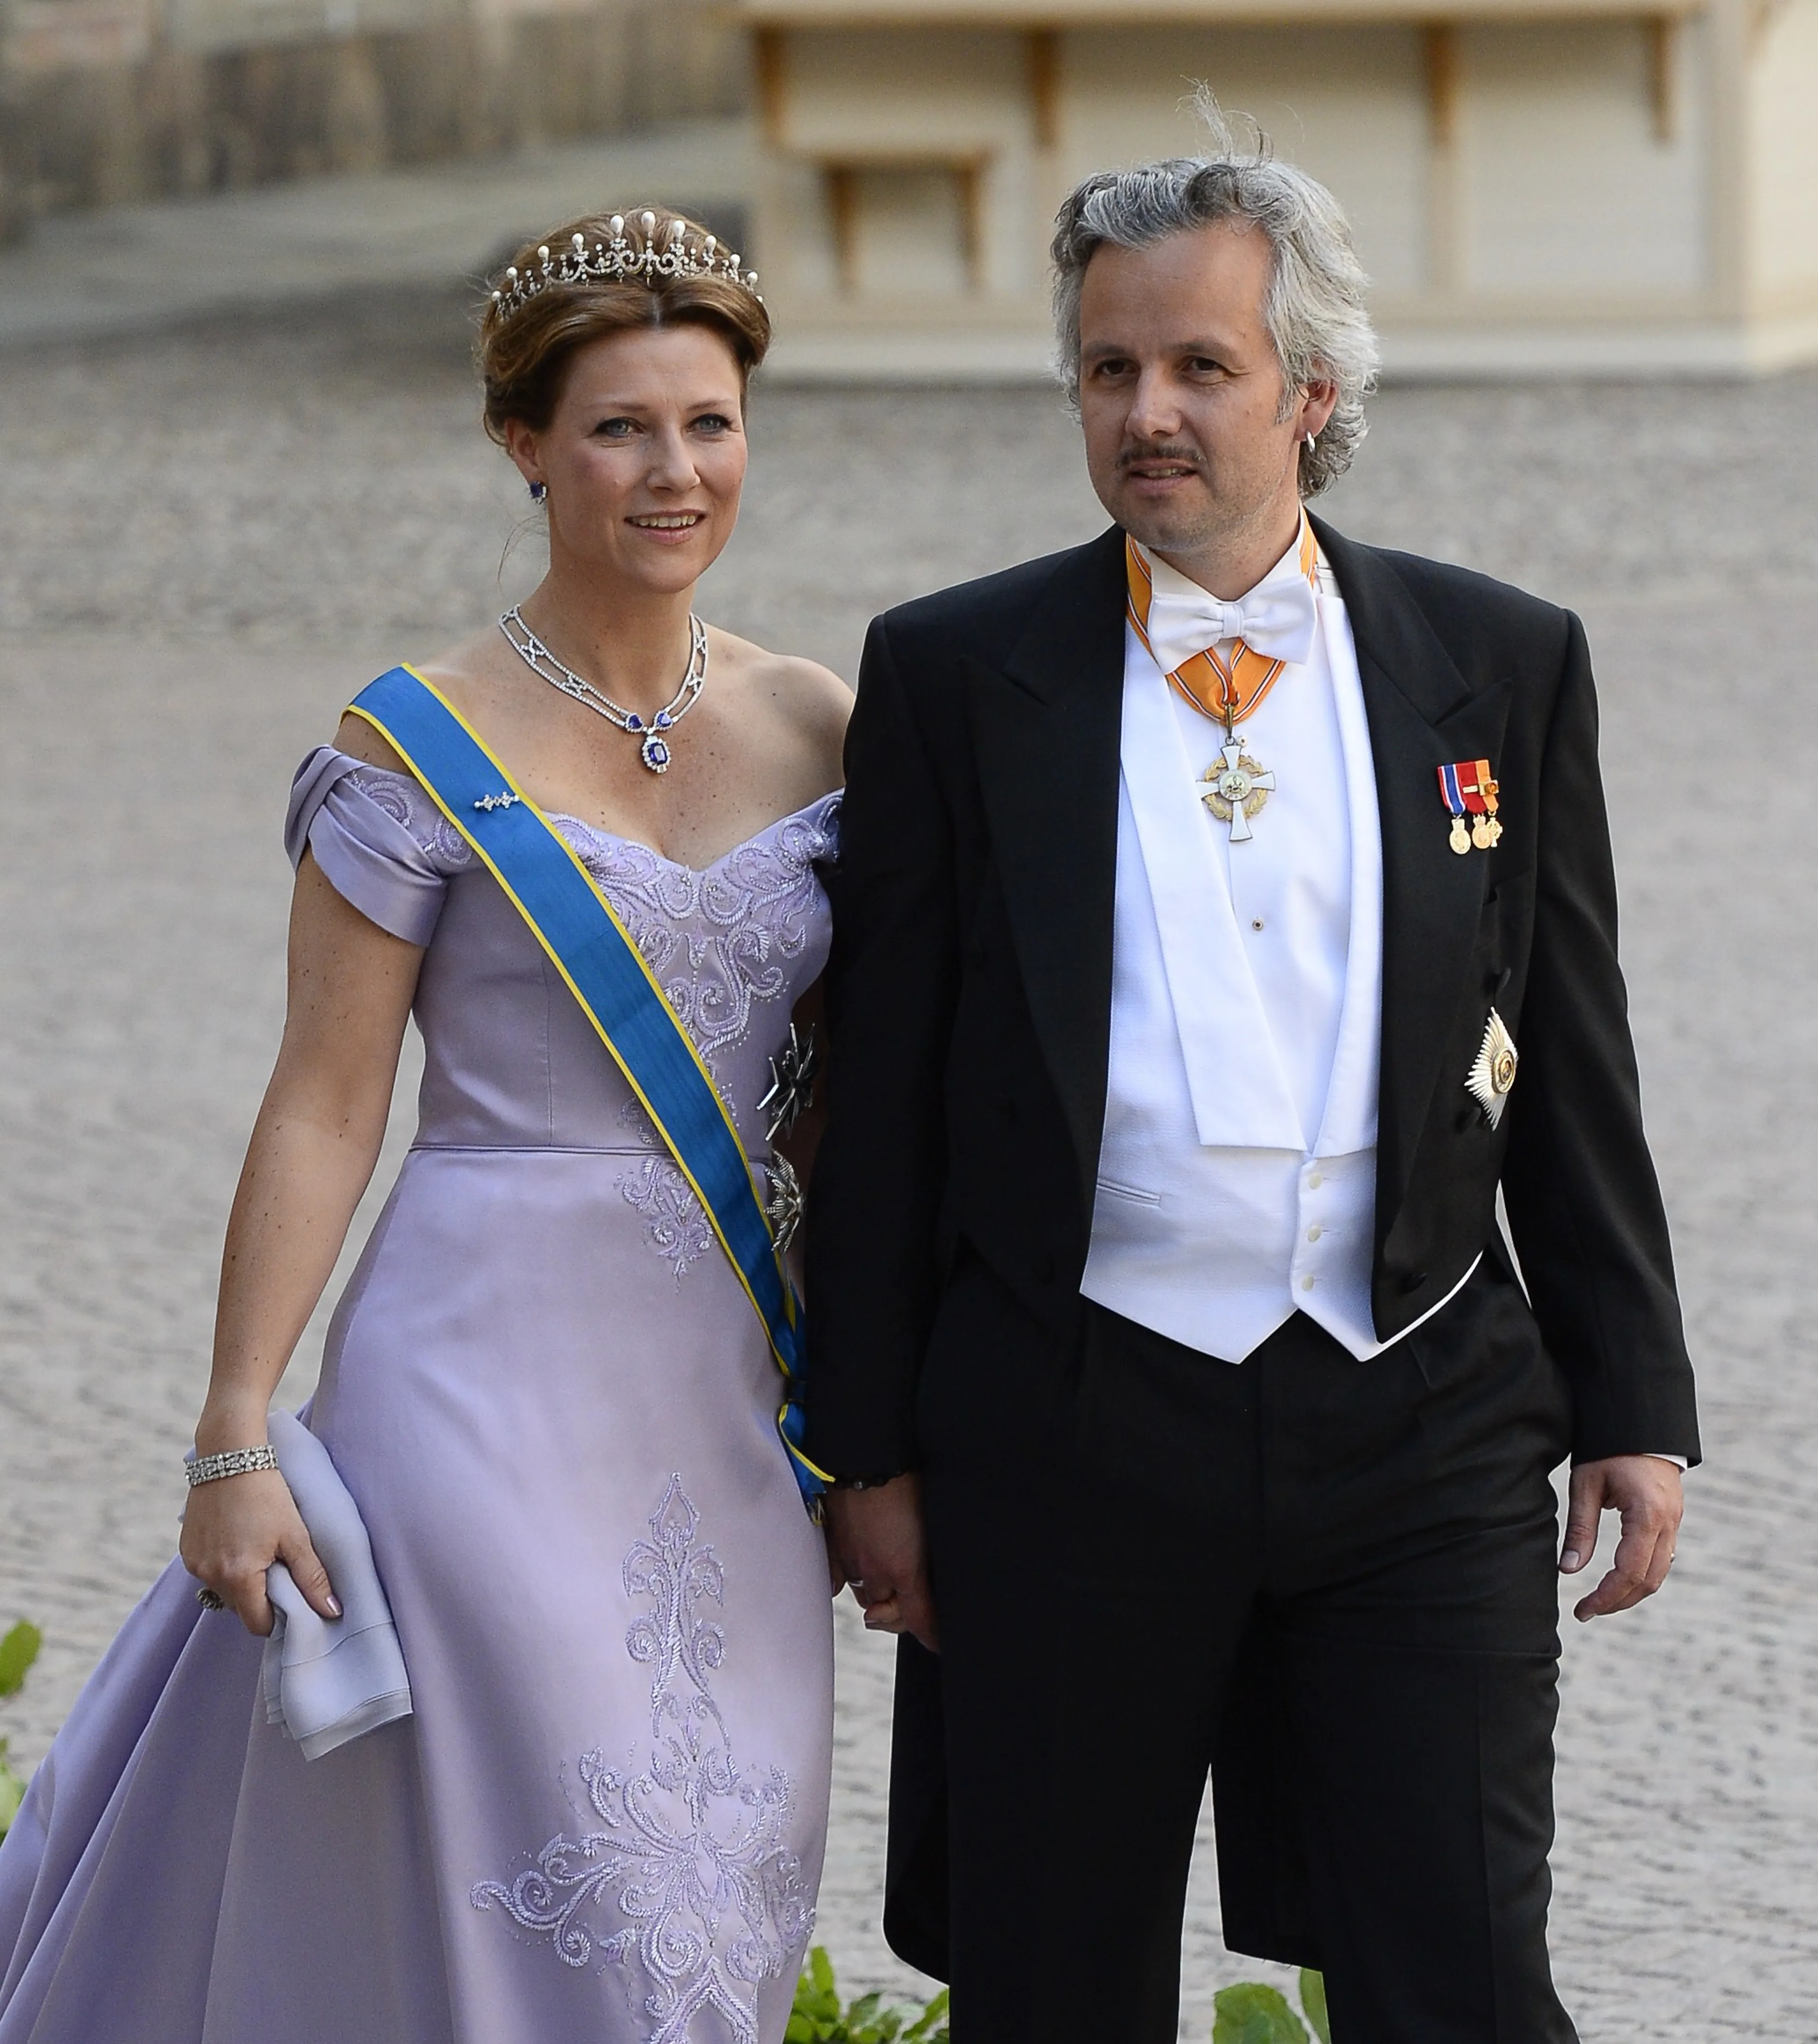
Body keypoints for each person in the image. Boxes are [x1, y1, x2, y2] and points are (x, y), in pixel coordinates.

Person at [807, 117, 1698, 2044]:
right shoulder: (954, 677)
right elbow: (880, 1098)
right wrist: (866, 1453)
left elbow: (1570, 1048)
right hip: (1070, 1430)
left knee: (1465, 1979)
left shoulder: (1501, 660)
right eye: (1109, 367)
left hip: (1422, 1413)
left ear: (1310, 388)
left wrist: (1633, 1395)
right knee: (1051, 1990)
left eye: (1200, 365)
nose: (1149, 412)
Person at [0, 207, 850, 2044]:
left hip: (722, 1393)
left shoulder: (825, 725)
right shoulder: (415, 741)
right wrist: (236, 1425)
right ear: (522, 440)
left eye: (709, 423)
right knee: (555, 1866)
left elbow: (865, 1093)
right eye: (619, 428)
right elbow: (325, 1100)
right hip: (476, 1379)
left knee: (718, 1873)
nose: (674, 471)